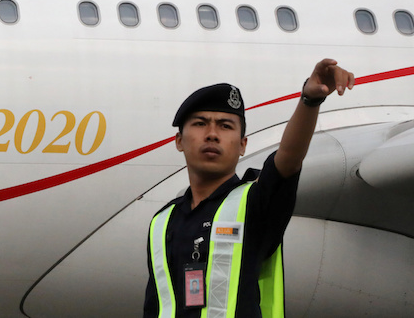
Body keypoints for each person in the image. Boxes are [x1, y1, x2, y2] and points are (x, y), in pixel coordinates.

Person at [143, 58, 355, 318]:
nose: (212, 134)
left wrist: (309, 101)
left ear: (243, 144)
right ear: (179, 141)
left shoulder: (254, 204)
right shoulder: (162, 222)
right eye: (200, 124)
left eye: (225, 126)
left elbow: (288, 158)